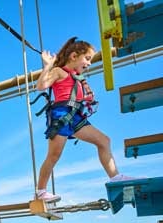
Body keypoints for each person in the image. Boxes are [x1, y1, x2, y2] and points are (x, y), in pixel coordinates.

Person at [35, 37, 134, 202]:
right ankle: (40, 192)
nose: (89, 63)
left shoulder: (77, 77)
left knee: (104, 141)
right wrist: (48, 66)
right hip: (61, 115)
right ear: (74, 56)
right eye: (87, 58)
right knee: (54, 155)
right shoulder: (59, 71)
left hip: (76, 116)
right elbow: (41, 86)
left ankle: (115, 177)